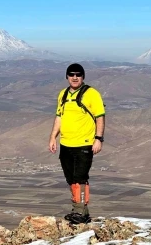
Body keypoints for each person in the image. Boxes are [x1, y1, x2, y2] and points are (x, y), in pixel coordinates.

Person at [48, 63, 105, 224]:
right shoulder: (63, 94)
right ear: (67, 76)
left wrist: (98, 139)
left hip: (84, 143)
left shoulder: (91, 94)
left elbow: (100, 116)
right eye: (71, 74)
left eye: (78, 74)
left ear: (83, 77)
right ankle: (80, 210)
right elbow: (59, 117)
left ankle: (80, 211)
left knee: (80, 178)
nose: (74, 77)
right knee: (71, 179)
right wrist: (53, 137)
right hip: (66, 144)